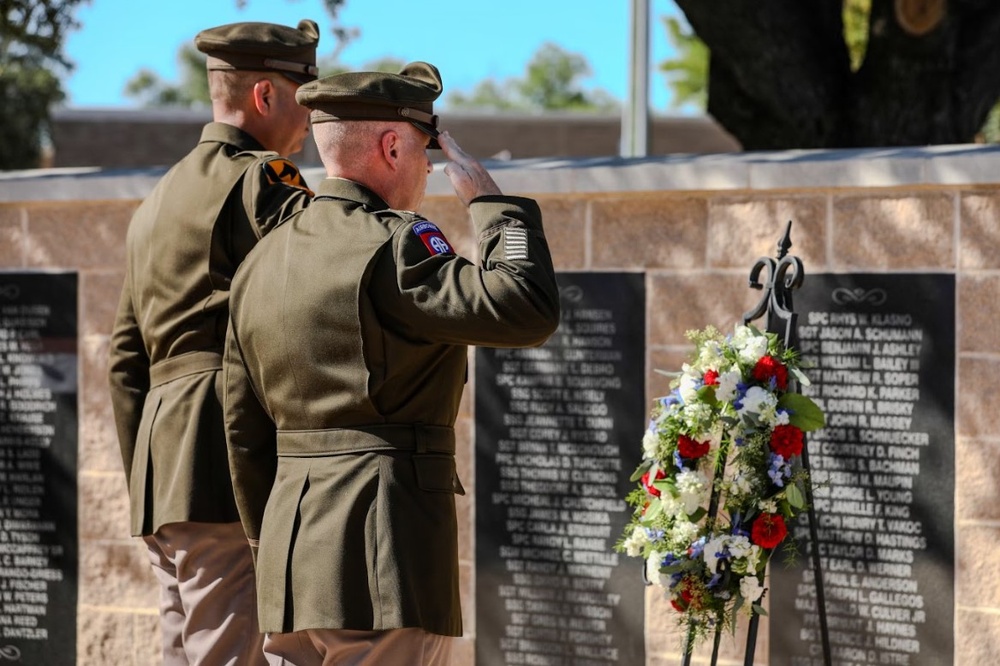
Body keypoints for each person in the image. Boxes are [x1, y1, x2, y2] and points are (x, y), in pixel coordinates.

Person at [223, 62, 560, 665]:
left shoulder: (260, 262)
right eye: (425, 151)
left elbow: (243, 431)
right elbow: (525, 308)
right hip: (384, 560)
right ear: (392, 145)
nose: (430, 168)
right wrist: (495, 209)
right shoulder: (397, 246)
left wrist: (268, 546)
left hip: (290, 563)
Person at [107, 19, 320, 666]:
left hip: (165, 475)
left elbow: (124, 359)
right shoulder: (265, 180)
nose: (312, 119)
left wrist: (147, 477)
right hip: (230, 468)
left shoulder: (155, 202)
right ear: (265, 97)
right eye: (304, 98)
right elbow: (308, 315)